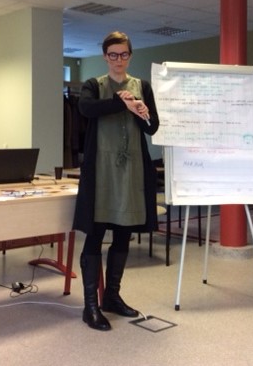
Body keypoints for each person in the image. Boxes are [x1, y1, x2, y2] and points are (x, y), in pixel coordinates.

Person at [73, 31, 159, 331]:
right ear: (105, 56)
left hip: (132, 170)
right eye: (113, 55)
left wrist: (141, 111)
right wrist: (122, 103)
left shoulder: (142, 87)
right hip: (102, 170)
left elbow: (152, 128)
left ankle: (111, 297)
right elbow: (87, 109)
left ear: (130, 56)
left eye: (123, 54)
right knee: (96, 233)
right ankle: (90, 306)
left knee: (124, 234)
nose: (118, 60)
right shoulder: (93, 85)